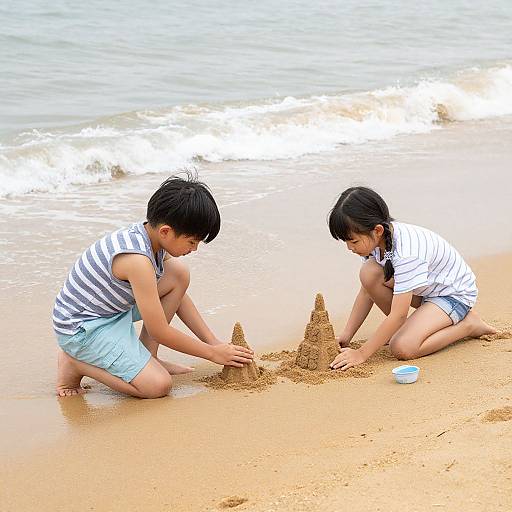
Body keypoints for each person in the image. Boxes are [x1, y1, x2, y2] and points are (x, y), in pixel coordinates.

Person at [54, 175, 253, 398]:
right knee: (157, 386)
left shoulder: (151, 237)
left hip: (111, 311)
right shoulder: (137, 260)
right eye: (191, 241)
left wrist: (214, 343)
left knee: (178, 274)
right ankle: (74, 363)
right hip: (82, 328)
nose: (194, 249)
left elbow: (179, 296)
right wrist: (211, 354)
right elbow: (159, 329)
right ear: (166, 231)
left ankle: (150, 355)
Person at [328, 186, 495, 370]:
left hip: (452, 296)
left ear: (377, 230)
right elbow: (366, 291)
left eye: (353, 241)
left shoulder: (407, 253)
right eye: (346, 241)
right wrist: (347, 335)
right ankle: (413, 329)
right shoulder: (377, 241)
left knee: (402, 347)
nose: (349, 248)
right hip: (425, 292)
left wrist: (361, 354)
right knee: (369, 273)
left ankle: (469, 325)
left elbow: (399, 315)